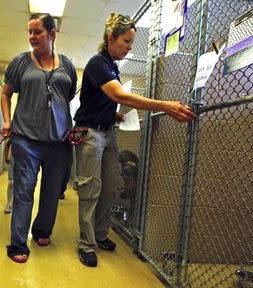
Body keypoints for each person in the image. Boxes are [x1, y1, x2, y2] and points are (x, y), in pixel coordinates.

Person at [73, 13, 196, 267]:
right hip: (90, 134)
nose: (130, 48)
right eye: (126, 42)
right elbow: (120, 95)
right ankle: (86, 244)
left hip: (107, 132)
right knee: (90, 189)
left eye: (132, 43)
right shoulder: (98, 63)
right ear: (111, 38)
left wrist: (112, 113)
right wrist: (166, 105)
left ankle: (99, 235)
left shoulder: (113, 66)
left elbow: (105, 99)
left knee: (110, 187)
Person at [0, 13, 77, 263]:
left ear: (52, 34)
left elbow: (68, 97)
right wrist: (7, 122)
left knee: (52, 191)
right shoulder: (21, 62)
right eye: (30, 32)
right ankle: (18, 243)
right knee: (23, 191)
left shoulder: (67, 66)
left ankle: (42, 230)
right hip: (26, 140)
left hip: (59, 142)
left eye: (37, 32)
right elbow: (5, 92)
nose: (32, 37)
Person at [4, 141, 14, 213]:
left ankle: (17, 203)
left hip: (24, 161)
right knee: (11, 182)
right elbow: (8, 144)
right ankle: (9, 204)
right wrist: (6, 156)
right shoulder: (16, 132)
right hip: (13, 160)